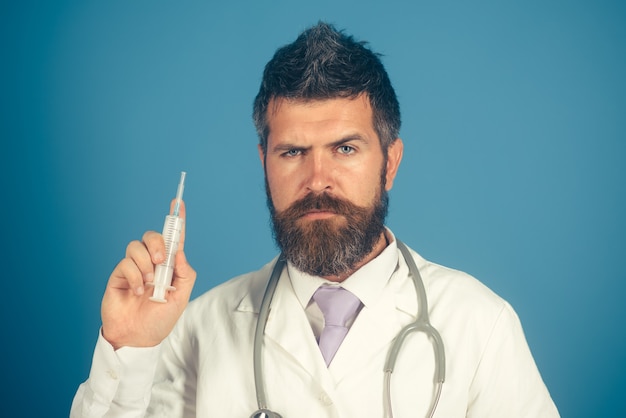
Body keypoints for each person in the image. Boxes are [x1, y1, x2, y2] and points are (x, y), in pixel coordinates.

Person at [71, 22, 559, 417]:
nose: (317, 178)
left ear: (390, 162)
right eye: (292, 152)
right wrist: (128, 349)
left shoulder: (479, 324)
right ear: (264, 162)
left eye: (345, 148)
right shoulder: (199, 329)